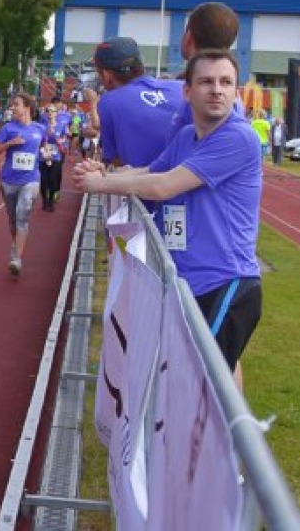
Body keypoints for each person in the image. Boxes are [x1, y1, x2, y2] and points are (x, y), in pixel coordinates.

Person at [74, 48, 262, 381]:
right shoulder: (188, 137)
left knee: (202, 384)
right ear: (187, 91)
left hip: (224, 282)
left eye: (225, 82)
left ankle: (225, 435)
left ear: (236, 92)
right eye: (206, 81)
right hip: (188, 281)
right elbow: (149, 170)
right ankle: (223, 434)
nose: (217, 89)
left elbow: (163, 186)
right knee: (200, 384)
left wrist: (100, 185)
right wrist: (104, 178)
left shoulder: (237, 136)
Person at [89, 36, 185, 168]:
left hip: (143, 184)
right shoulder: (183, 88)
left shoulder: (109, 102)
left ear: (106, 75)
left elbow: (116, 161)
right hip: (195, 182)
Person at [0, 93, 45, 276]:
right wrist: (9, 144)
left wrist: (46, 153)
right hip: (9, 180)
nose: (12, 107)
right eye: (12, 105)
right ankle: (16, 244)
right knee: (13, 219)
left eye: (16, 104)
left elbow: (45, 146)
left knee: (22, 215)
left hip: (31, 179)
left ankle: (16, 258)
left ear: (27, 107)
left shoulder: (40, 129)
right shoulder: (8, 128)